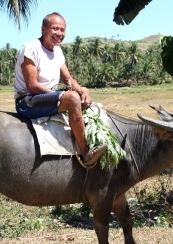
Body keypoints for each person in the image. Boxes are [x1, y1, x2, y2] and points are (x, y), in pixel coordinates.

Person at [14, 12, 106, 165]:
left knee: (80, 94)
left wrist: (82, 90)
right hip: (28, 101)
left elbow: (68, 79)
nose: (59, 33)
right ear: (43, 29)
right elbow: (32, 85)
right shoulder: (31, 48)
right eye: (55, 29)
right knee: (72, 98)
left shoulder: (58, 52)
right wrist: (63, 96)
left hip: (47, 98)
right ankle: (86, 152)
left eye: (62, 30)